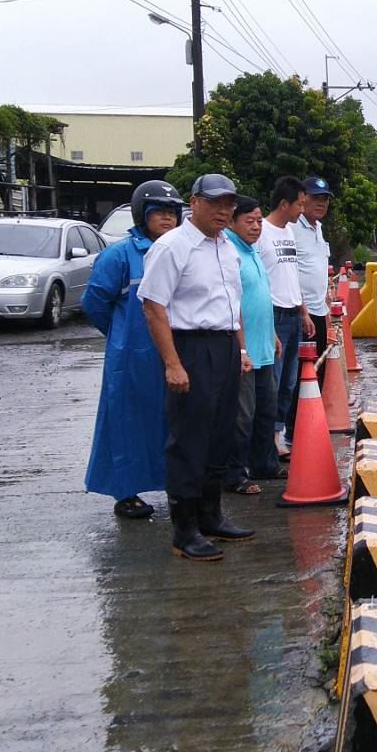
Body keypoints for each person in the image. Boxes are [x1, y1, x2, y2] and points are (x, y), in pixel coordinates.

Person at [138, 173, 255, 562]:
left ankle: (211, 516)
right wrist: (173, 363)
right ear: (194, 202)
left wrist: (239, 351)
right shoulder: (173, 247)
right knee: (189, 439)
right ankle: (184, 531)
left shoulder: (227, 247)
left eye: (229, 204)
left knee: (221, 435)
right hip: (190, 346)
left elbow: (231, 303)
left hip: (223, 346)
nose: (224, 211)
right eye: (215, 203)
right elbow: (154, 306)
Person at [82, 180, 184, 519]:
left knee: (170, 423)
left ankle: (175, 485)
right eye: (160, 213)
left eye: (172, 213)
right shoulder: (120, 255)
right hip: (131, 357)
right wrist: (120, 335)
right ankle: (125, 493)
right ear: (143, 215)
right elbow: (94, 303)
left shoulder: (179, 251)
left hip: (172, 353)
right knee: (125, 423)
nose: (168, 220)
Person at [223, 195, 282, 495]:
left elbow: (260, 297)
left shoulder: (253, 251)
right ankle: (234, 474)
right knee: (241, 415)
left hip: (263, 346)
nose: (257, 226)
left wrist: (272, 334)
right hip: (243, 351)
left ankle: (264, 464)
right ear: (233, 222)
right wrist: (242, 349)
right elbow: (233, 306)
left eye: (259, 221)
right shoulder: (229, 251)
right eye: (249, 221)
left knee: (265, 410)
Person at [260, 176, 311, 457]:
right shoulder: (262, 233)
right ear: (284, 204)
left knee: (290, 382)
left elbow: (292, 275)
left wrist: (303, 311)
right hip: (275, 317)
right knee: (274, 381)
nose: (302, 210)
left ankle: (279, 435)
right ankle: (267, 440)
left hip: (294, 315)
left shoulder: (289, 233)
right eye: (299, 205)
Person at [293, 177, 335, 349]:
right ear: (303, 199)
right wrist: (302, 312)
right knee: (303, 371)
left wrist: (326, 310)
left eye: (324, 199)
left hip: (319, 311)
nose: (321, 204)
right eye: (315, 198)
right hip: (301, 313)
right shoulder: (292, 228)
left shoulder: (318, 227)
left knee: (318, 370)